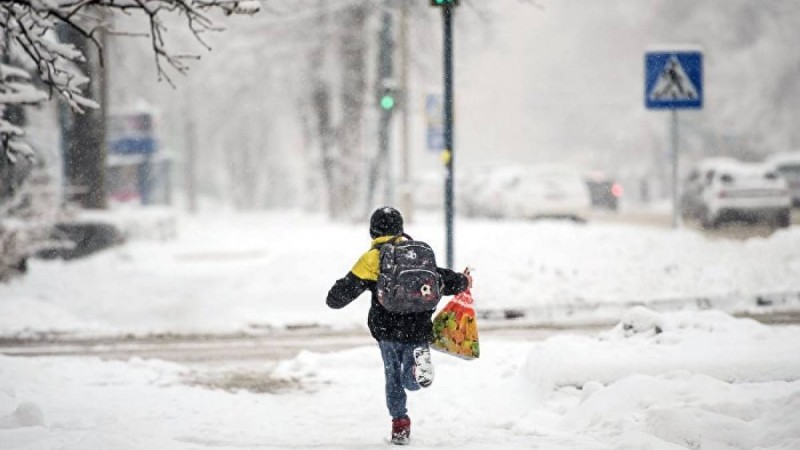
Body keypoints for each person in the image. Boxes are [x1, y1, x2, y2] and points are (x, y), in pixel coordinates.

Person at [326, 206, 471, 445]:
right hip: (419, 326)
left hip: (388, 329)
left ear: (373, 231)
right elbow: (441, 278)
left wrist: (337, 292)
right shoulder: (418, 253)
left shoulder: (372, 258)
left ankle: (400, 424)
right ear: (401, 228)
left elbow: (338, 298)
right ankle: (416, 371)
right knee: (410, 378)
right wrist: (463, 280)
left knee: (392, 377)